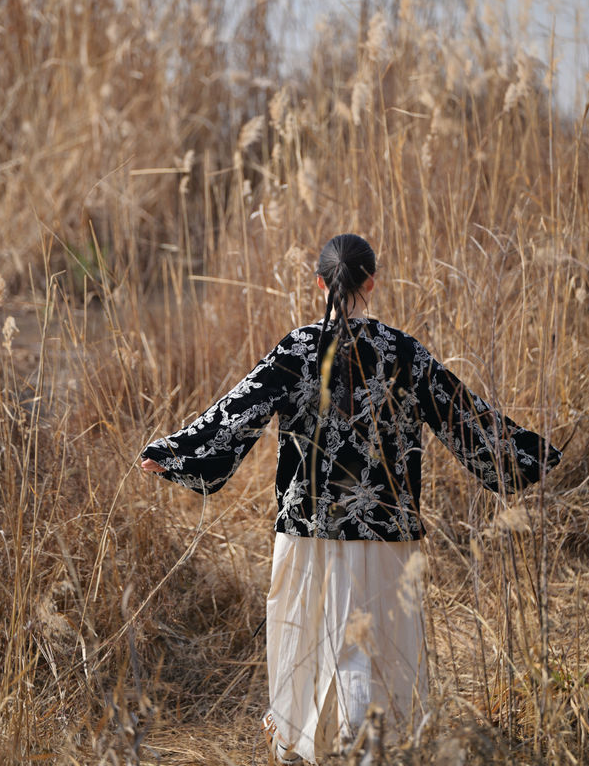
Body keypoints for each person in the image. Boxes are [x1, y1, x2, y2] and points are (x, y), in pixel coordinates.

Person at [141, 233, 562, 765]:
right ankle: (372, 747)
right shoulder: (402, 350)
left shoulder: (296, 349)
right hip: (387, 530)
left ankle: (308, 741)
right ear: (371, 283)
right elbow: (463, 415)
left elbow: (236, 411)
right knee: (377, 646)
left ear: (319, 281)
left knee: (309, 639)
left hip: (307, 526)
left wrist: (176, 453)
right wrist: (528, 456)